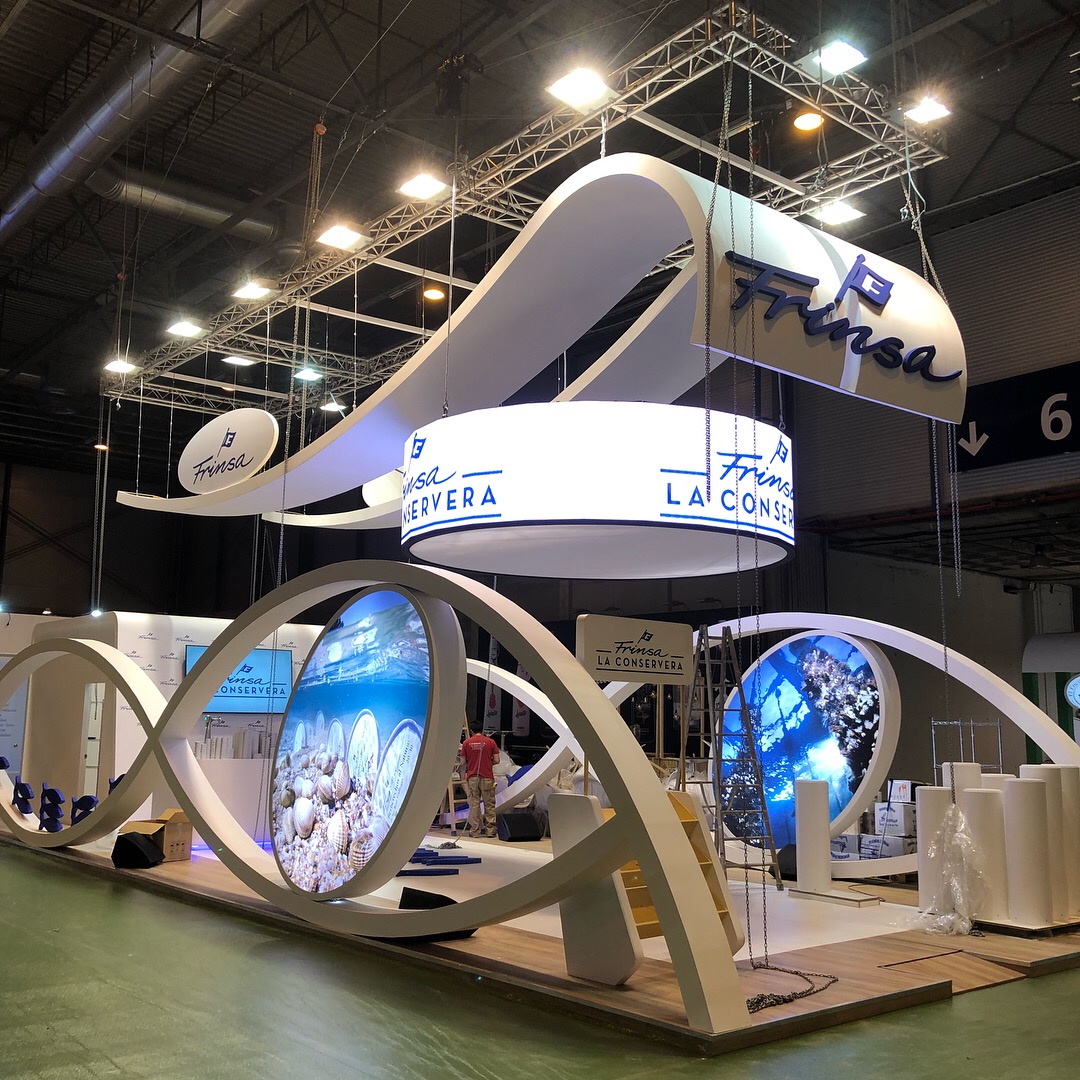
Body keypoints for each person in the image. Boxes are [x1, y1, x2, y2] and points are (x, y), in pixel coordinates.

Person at [459, 720, 500, 837]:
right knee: (489, 804)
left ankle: (475, 831)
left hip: (472, 778)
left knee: (474, 804)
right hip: (487, 777)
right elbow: (497, 760)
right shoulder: (491, 742)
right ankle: (490, 831)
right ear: (482, 730)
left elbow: (462, 762)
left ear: (471, 731)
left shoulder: (466, 743)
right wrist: (488, 763)